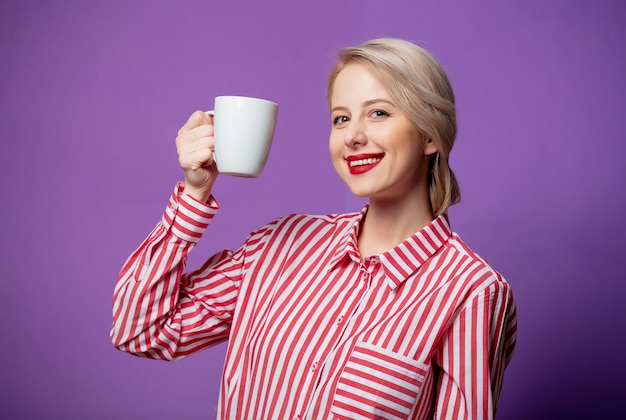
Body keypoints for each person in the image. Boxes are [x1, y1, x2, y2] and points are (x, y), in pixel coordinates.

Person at [111, 38, 517, 419]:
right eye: (341, 118)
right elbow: (141, 330)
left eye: (378, 112)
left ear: (430, 135)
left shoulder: (472, 292)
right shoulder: (277, 246)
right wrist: (195, 194)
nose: (353, 136)